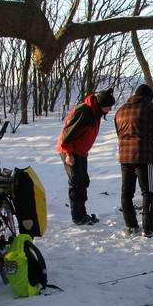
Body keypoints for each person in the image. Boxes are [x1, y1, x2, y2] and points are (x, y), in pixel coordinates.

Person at [114, 84, 153, 237]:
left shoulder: (120, 110)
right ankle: (149, 228)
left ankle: (131, 226)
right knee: (148, 192)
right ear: (148, 97)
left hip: (125, 157)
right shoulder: (149, 108)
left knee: (126, 193)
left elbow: (119, 133)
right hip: (145, 156)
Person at [56, 88, 115, 225]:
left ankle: (82, 214)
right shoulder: (85, 111)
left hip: (80, 151)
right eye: (108, 107)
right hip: (69, 150)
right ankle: (77, 217)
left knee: (83, 182)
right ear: (101, 105)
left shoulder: (94, 112)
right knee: (76, 183)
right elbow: (67, 135)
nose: (110, 110)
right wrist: (69, 154)